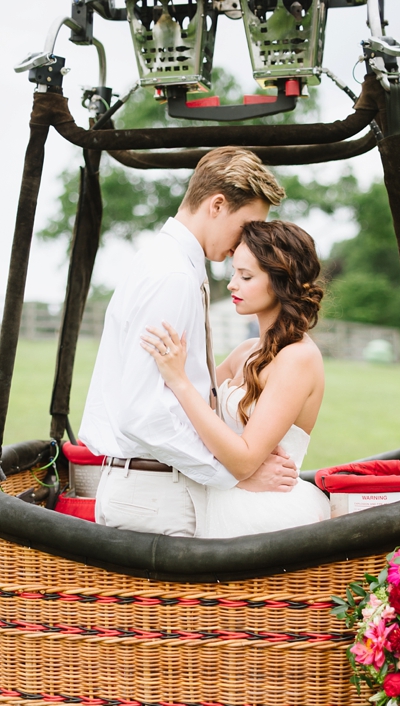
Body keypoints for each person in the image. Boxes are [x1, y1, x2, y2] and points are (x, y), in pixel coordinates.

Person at [78, 146, 299, 537]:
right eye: (247, 223)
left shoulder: (172, 264)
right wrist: (232, 475)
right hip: (155, 494)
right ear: (216, 205)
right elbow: (146, 413)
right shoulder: (172, 276)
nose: (245, 240)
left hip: (158, 487)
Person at [142, 219, 331, 538]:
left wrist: (180, 380)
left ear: (280, 282)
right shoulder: (245, 351)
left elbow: (244, 459)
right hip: (221, 499)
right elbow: (187, 415)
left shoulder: (298, 358)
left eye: (245, 276)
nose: (232, 284)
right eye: (233, 273)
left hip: (265, 514)